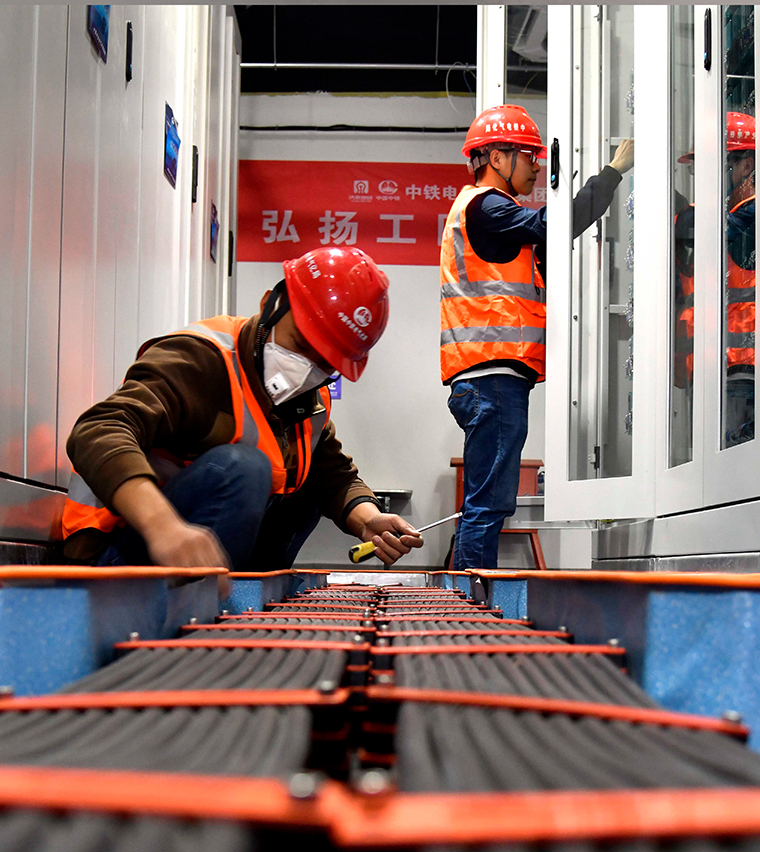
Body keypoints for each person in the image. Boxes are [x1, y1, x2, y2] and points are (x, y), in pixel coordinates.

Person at [62, 246, 423, 581]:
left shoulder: (309, 402)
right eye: (300, 343)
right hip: (118, 557)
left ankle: (249, 595)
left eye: (324, 363)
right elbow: (99, 430)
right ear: (270, 305)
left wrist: (368, 519)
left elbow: (333, 476)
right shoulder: (201, 359)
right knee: (243, 467)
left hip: (202, 561)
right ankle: (208, 605)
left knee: (303, 485)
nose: (304, 369)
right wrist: (163, 526)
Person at [440, 103, 634, 570]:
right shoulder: (486, 206)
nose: (536, 167)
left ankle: (464, 592)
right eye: (528, 156)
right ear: (496, 158)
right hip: (491, 378)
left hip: (487, 377)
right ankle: (469, 600)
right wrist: (613, 171)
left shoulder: (483, 211)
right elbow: (555, 225)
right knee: (488, 505)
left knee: (485, 502)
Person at [675, 111, 755, 447]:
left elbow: (709, 231)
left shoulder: (749, 217)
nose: (703, 176)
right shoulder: (714, 217)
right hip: (715, 370)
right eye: (699, 168)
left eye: (713, 165)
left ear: (746, 166)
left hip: (741, 373)